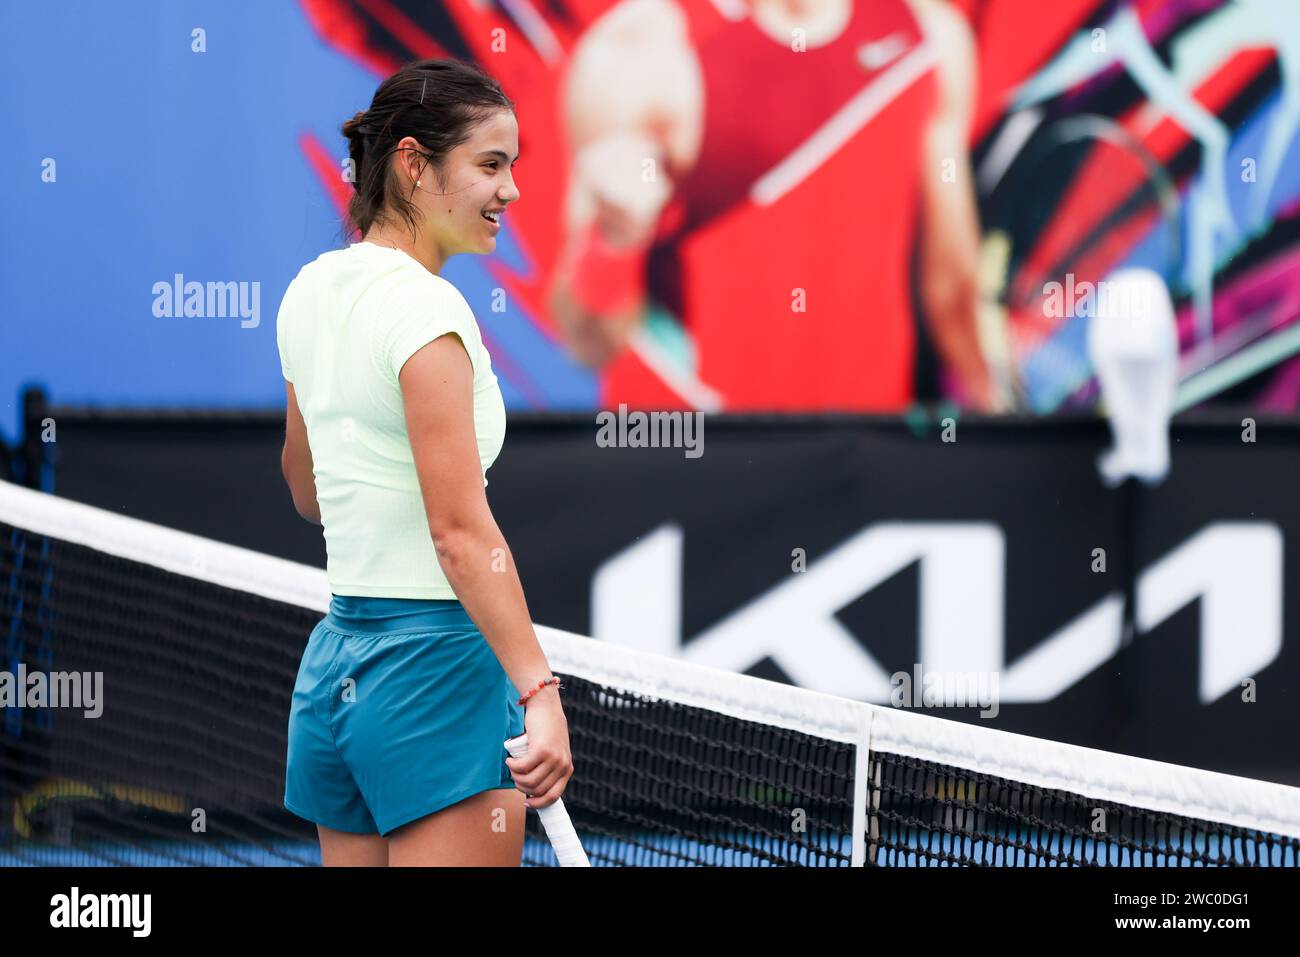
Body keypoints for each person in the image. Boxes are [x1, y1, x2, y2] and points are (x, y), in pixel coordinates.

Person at [276, 58, 572, 866]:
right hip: (435, 676)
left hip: (336, 676)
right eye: (489, 165)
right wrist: (538, 692)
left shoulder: (308, 290)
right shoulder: (428, 309)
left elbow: (308, 489)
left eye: (512, 166)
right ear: (412, 163)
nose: (510, 191)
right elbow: (458, 531)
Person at [551, 0, 998, 413]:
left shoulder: (928, 36)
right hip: (701, 454)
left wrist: (995, 419)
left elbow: (953, 294)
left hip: (862, 448)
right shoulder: (641, 54)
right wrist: (612, 242)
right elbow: (588, 342)